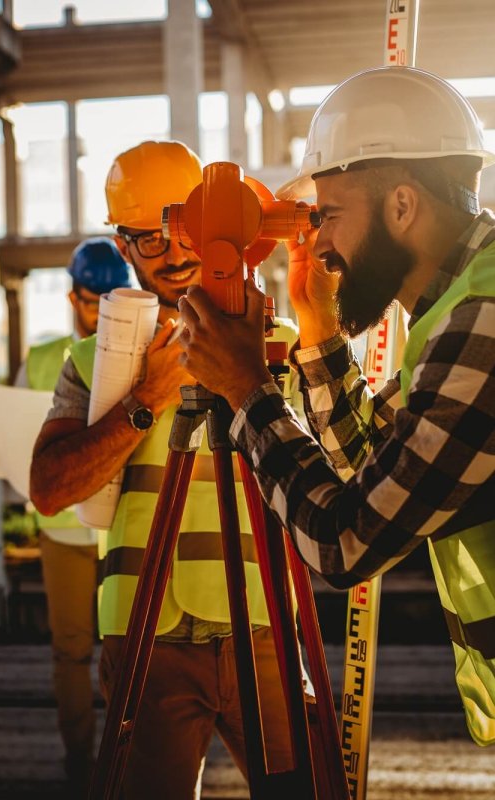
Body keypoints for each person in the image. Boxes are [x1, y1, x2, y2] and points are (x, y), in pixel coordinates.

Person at [176, 66, 495, 748]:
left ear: (402, 205)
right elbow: (371, 467)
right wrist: (318, 326)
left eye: (330, 216)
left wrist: (245, 389)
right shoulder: (460, 309)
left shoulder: (484, 323)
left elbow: (346, 540)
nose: (318, 244)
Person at [29, 140, 317, 799]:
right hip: (145, 636)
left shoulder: (281, 345)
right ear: (124, 247)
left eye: (184, 229)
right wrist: (145, 399)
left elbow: (335, 472)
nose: (175, 252)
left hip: (264, 626)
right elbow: (49, 491)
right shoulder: (93, 362)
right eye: (149, 239)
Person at [0, 237, 134, 792]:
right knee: (71, 652)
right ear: (73, 298)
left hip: (126, 526)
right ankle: (81, 763)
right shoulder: (43, 359)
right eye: (93, 301)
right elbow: (11, 423)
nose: (102, 313)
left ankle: (128, 760)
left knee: (133, 654)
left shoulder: (144, 351)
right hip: (64, 529)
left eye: (112, 301)